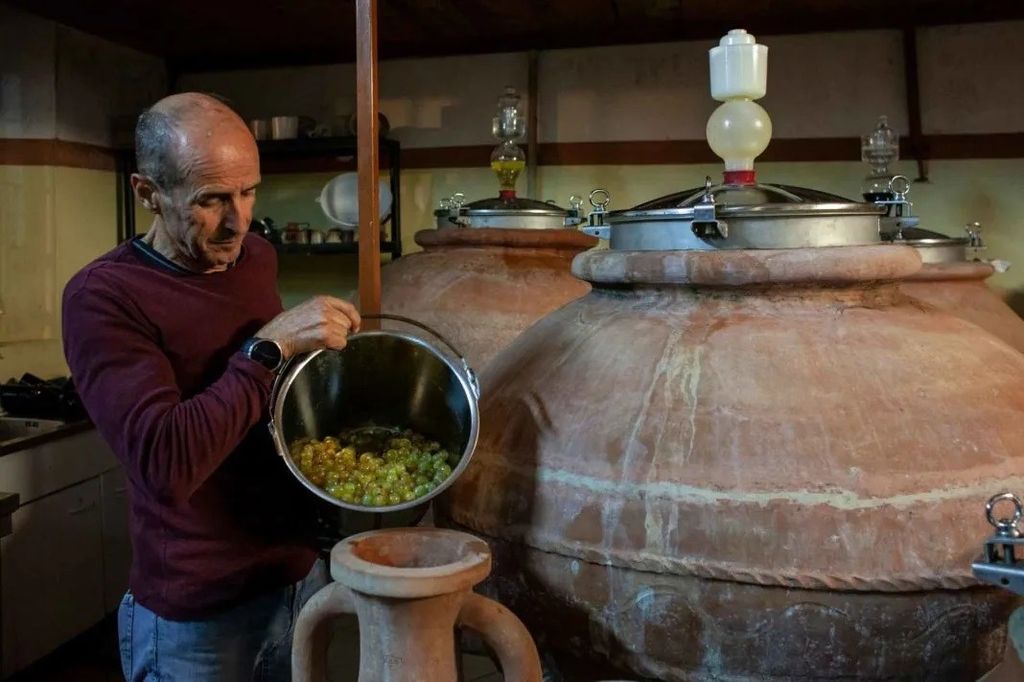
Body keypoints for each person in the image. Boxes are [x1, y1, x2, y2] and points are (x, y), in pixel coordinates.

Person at [61, 92, 361, 681]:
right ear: (147, 192)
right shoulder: (103, 297)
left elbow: (259, 404)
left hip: (298, 579)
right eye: (211, 200)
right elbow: (166, 463)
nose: (238, 221)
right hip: (198, 615)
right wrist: (269, 349)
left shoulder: (256, 260)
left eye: (249, 192)